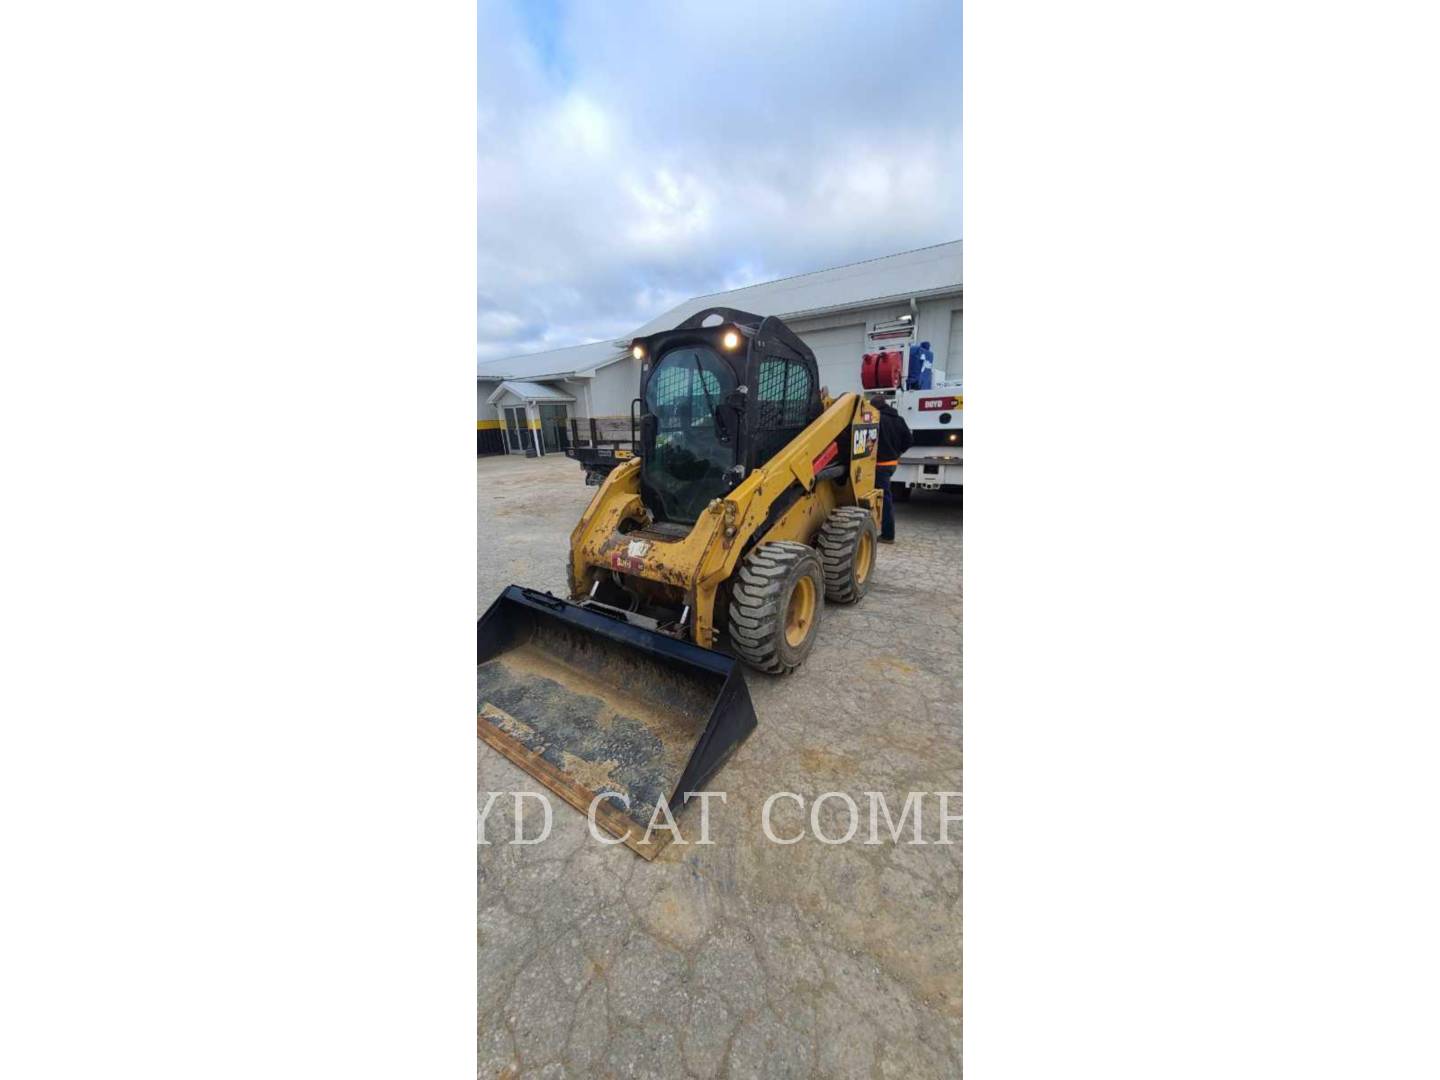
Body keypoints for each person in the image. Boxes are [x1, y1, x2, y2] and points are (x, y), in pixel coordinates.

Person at [869, 394, 912, 543]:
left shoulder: (877, 418)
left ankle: (888, 535)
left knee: (882, 499)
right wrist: (897, 453)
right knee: (883, 497)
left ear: (874, 407)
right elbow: (909, 440)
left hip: (878, 465)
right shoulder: (898, 420)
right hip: (891, 464)